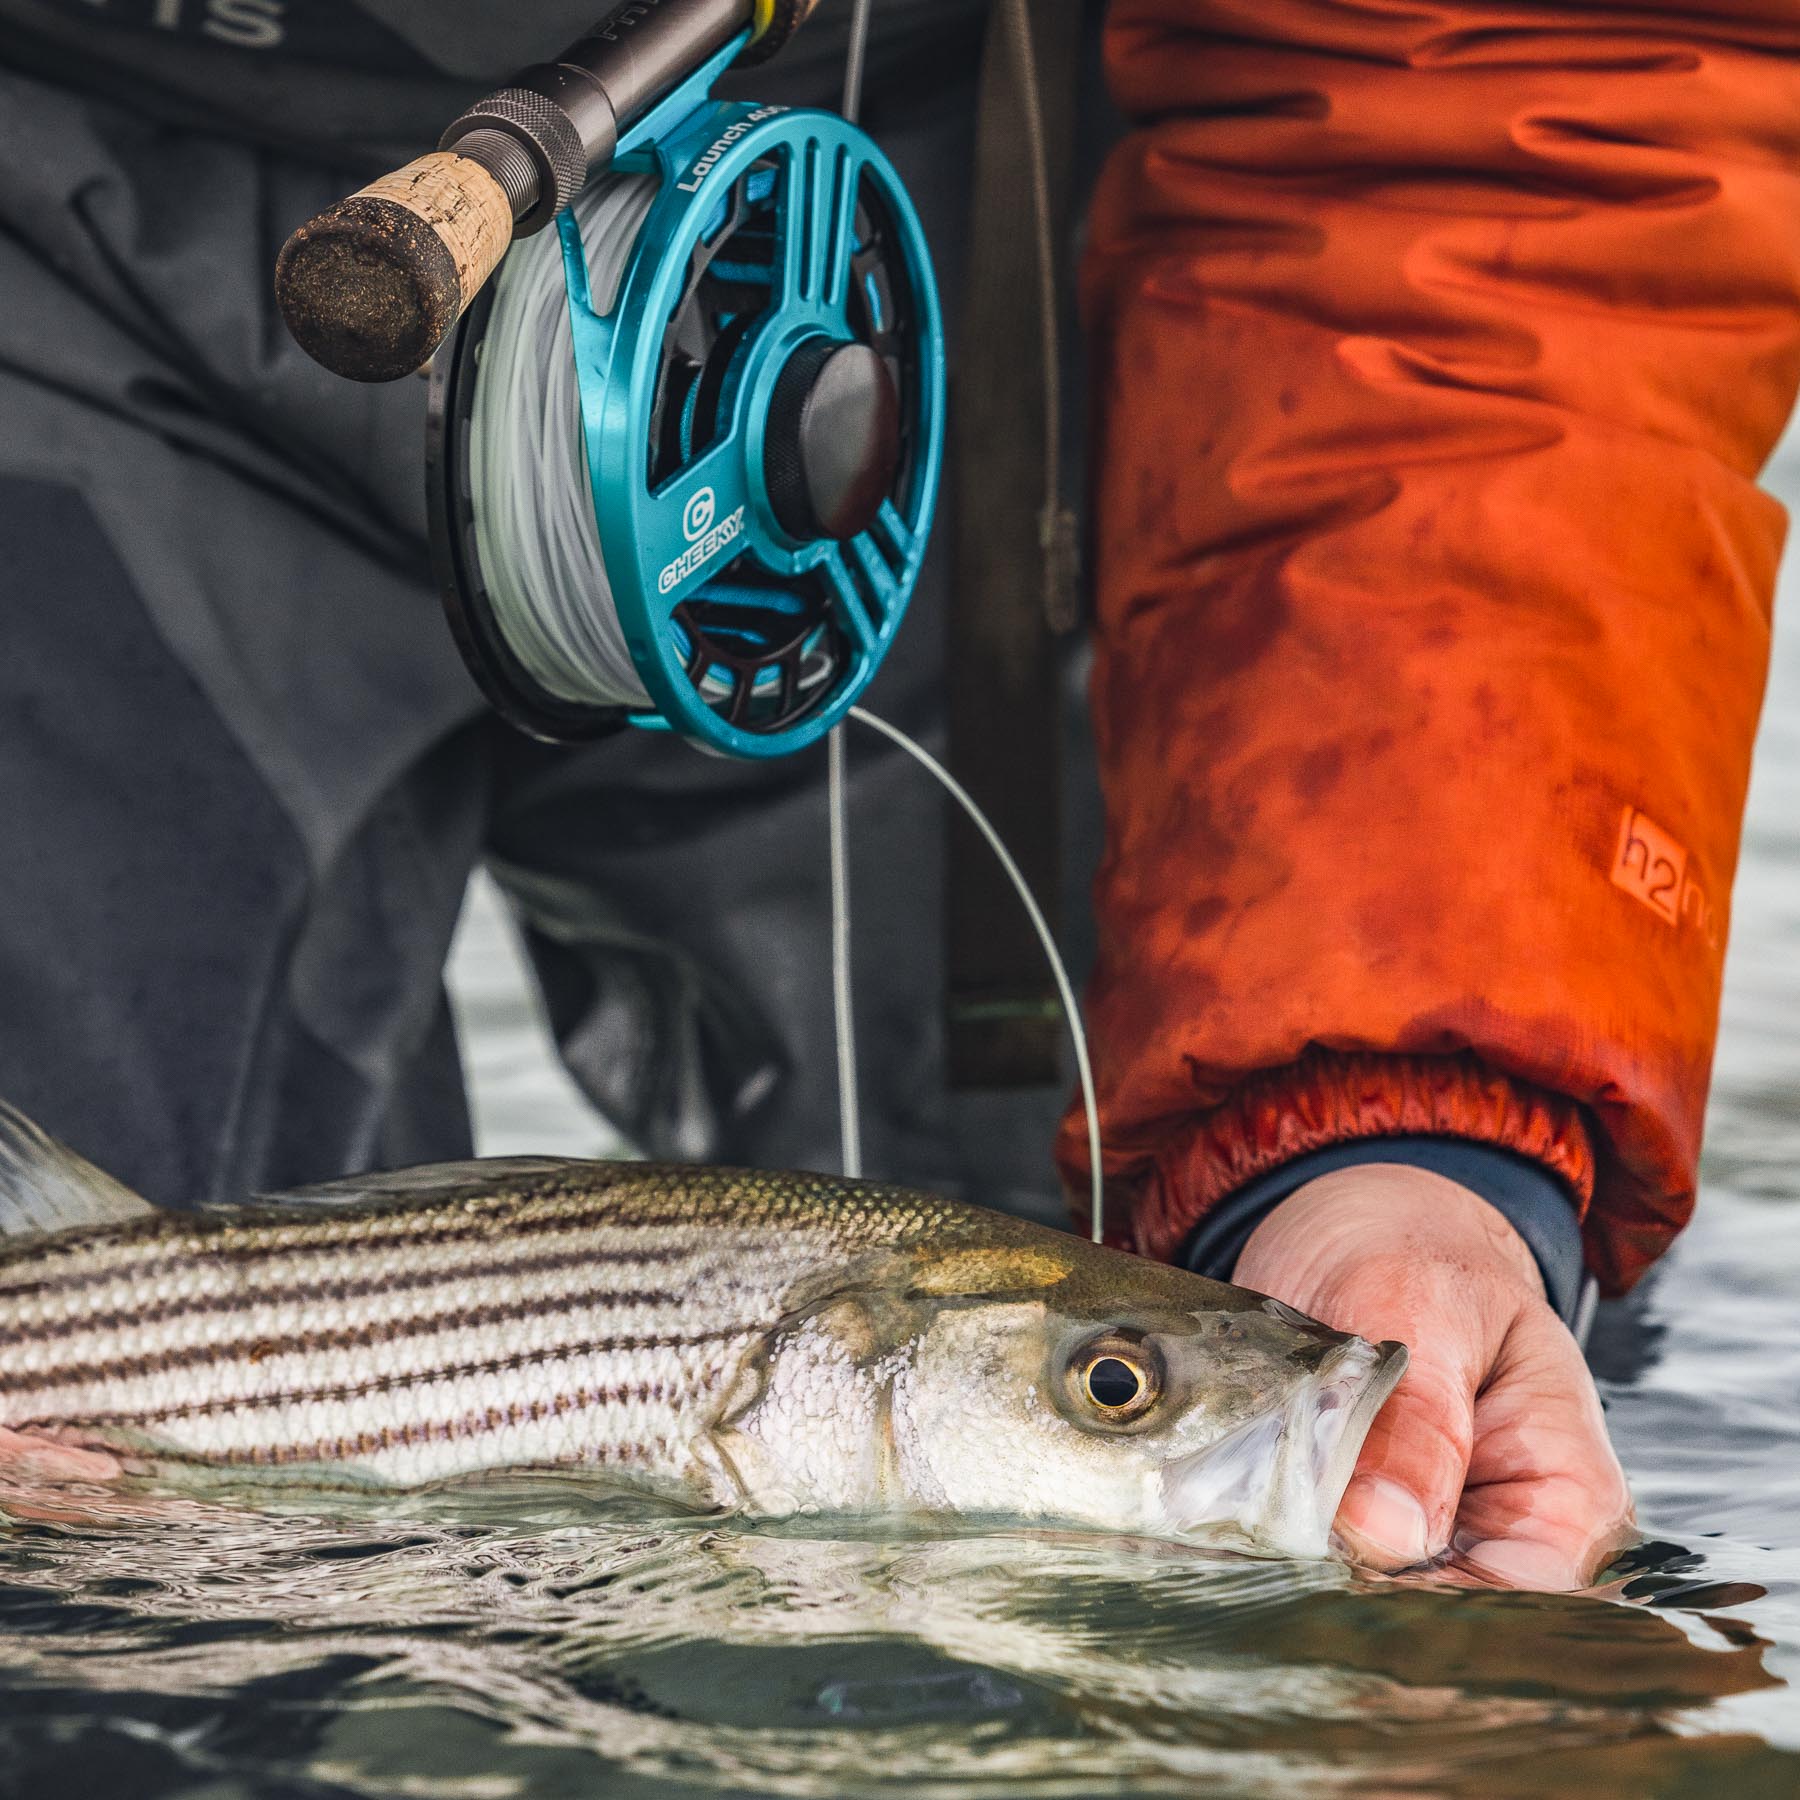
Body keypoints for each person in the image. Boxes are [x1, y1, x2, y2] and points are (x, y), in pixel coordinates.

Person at [0, 0, 1793, 1592]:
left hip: (903, 250)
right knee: (94, 1641)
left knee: (1290, 1403)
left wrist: (1409, 1134)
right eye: (1116, 1388)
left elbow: (1525, 115)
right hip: (47, 193)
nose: (1134, 1387)